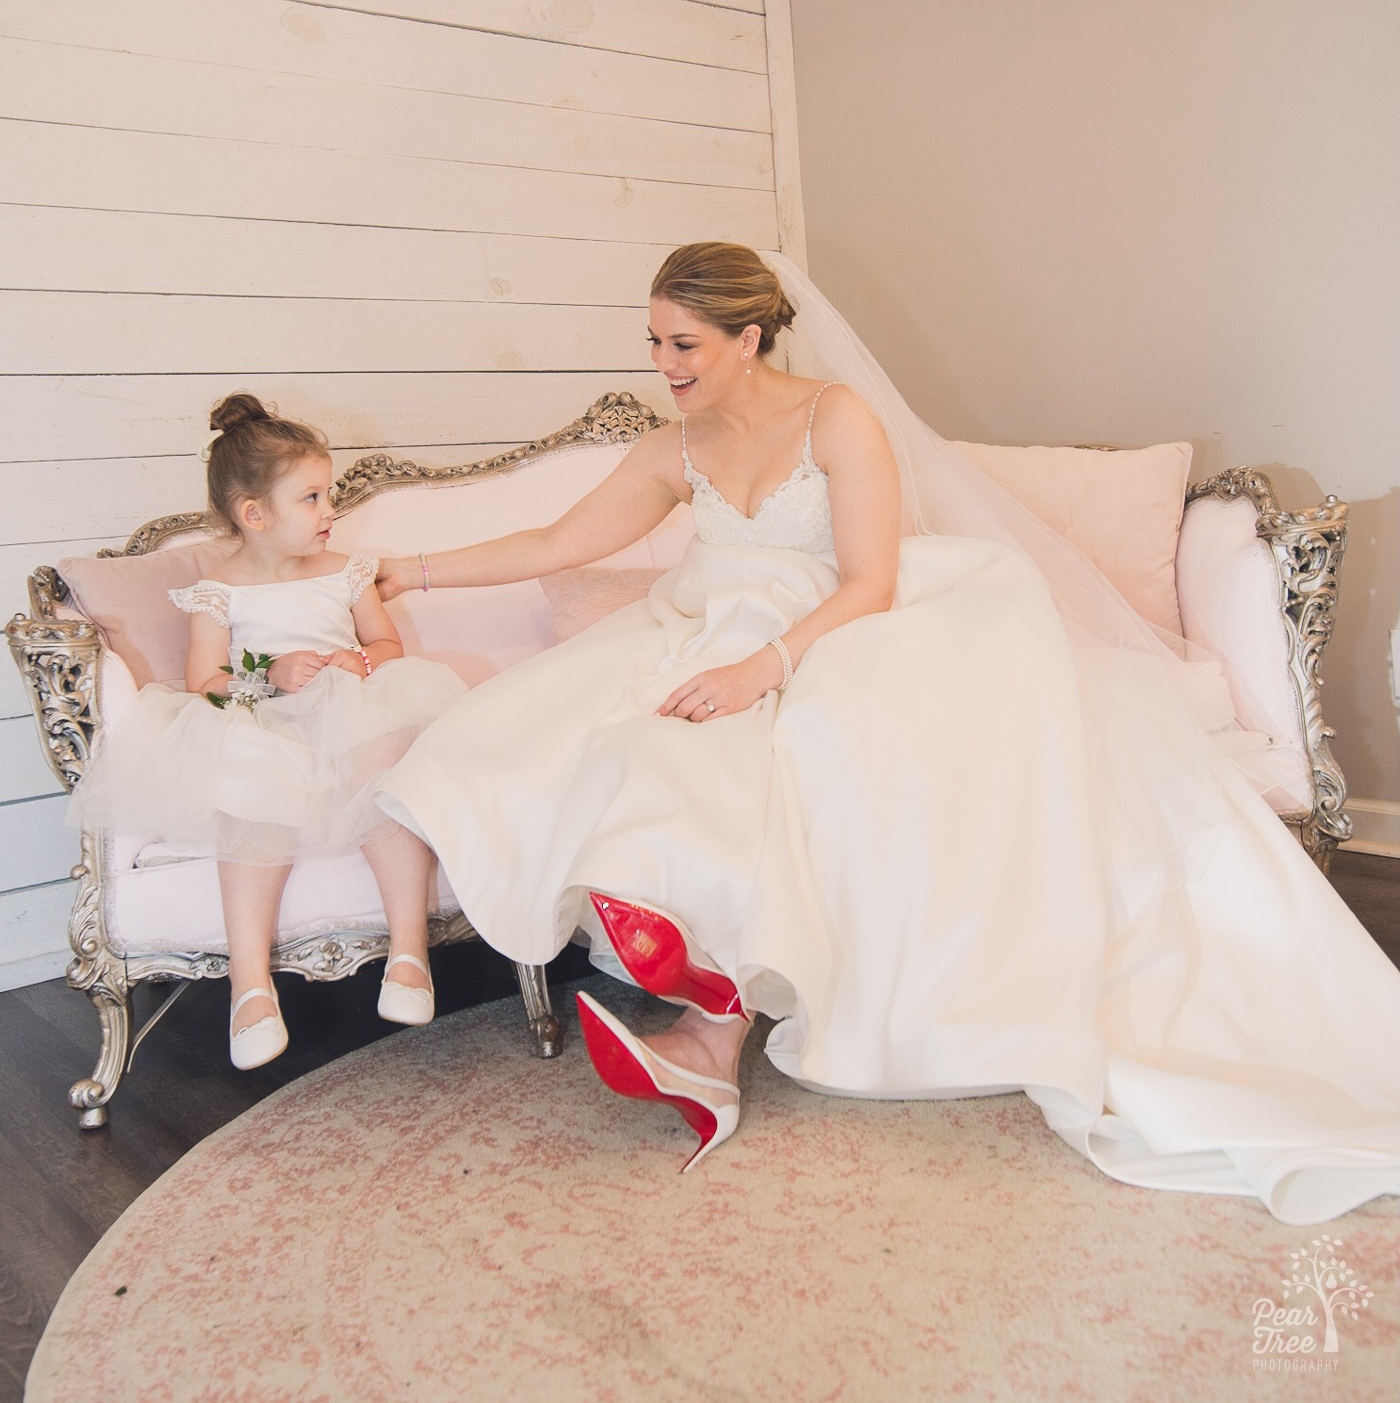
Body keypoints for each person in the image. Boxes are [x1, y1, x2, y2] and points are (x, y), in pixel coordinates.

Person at [376, 245, 1400, 1221]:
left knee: (788, 752)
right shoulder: (671, 445)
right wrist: (408, 573)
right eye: (651, 342)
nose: (660, 365)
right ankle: (698, 1007)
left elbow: (868, 582)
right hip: (705, 628)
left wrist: (758, 670)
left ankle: (705, 1022)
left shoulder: (836, 419)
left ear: (747, 336)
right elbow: (560, 539)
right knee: (586, 738)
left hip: (837, 632)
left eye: (680, 344)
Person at [71, 396, 467, 1068]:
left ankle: (409, 953)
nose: (329, 511)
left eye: (328, 494)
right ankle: (249, 986)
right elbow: (207, 682)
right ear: (254, 515)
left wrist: (358, 660)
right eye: (311, 498)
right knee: (255, 782)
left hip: (351, 708)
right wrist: (272, 675)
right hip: (262, 716)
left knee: (383, 764)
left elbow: (386, 643)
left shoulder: (348, 572)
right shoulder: (218, 591)